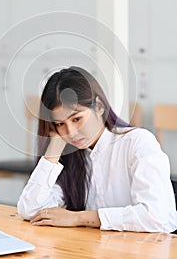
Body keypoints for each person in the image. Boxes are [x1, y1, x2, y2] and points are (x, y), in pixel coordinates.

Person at [17, 66, 177, 232]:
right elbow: (30, 210)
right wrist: (53, 150)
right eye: (60, 124)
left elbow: (155, 216)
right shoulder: (70, 155)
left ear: (99, 107)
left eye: (77, 119)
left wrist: (78, 218)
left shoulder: (138, 142)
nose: (70, 132)